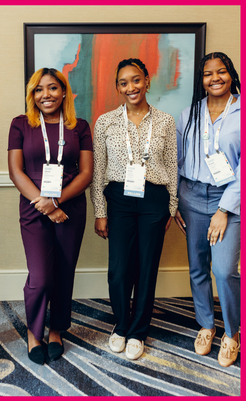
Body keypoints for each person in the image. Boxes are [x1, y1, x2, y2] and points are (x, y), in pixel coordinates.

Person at [91, 58, 178, 360]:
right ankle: (121, 324)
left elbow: (172, 166)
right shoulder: (105, 122)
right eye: (124, 82)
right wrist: (100, 211)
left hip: (154, 199)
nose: (131, 87)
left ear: (147, 81)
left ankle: (138, 331)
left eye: (136, 80)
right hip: (119, 199)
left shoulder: (166, 121)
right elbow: (98, 171)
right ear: (117, 87)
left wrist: (171, 205)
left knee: (146, 267)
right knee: (118, 270)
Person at [8, 68, 93, 365]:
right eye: (39, 89)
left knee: (64, 272)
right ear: (32, 94)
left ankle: (56, 330)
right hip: (33, 208)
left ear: (64, 92)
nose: (47, 95)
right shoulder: (21, 125)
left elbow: (86, 173)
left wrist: (56, 201)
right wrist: (43, 203)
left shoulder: (79, 126)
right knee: (41, 277)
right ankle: (34, 333)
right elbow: (15, 171)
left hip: (70, 207)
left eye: (53, 88)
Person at [175, 52, 240, 367]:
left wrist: (225, 209)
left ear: (232, 75)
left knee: (223, 270)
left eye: (222, 71)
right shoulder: (189, 114)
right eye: (208, 74)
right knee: (198, 266)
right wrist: (174, 200)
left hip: (228, 198)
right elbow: (177, 160)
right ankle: (206, 325)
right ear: (200, 80)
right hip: (191, 196)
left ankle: (232, 332)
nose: (215, 78)